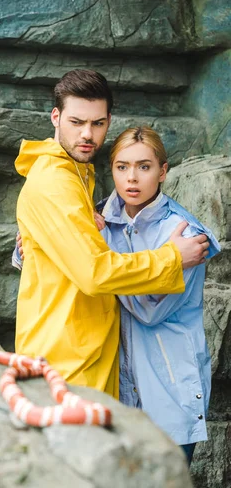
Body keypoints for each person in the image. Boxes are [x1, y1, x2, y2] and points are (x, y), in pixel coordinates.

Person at [13, 69, 209, 399]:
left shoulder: (77, 174)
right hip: (64, 363)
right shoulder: (55, 183)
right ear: (56, 117)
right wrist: (171, 257)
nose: (87, 134)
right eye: (76, 122)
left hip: (86, 353)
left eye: (98, 123)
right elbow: (94, 273)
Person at [91, 126, 220, 465]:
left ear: (163, 172)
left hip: (170, 389)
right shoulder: (98, 218)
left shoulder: (185, 234)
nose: (132, 178)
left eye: (144, 167)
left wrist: (93, 265)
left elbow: (148, 308)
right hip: (117, 389)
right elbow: (35, 254)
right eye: (122, 167)